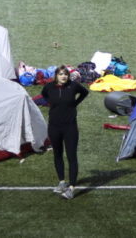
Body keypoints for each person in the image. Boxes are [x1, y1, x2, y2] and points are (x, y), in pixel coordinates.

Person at [41, 65, 89, 200]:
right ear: (56, 75)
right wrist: (51, 102)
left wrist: (75, 103)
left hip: (70, 127)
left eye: (66, 74)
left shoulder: (73, 86)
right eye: (61, 74)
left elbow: (85, 92)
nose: (63, 76)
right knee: (57, 154)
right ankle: (62, 182)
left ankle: (72, 188)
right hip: (54, 127)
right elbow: (44, 95)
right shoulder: (49, 87)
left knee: (71, 156)